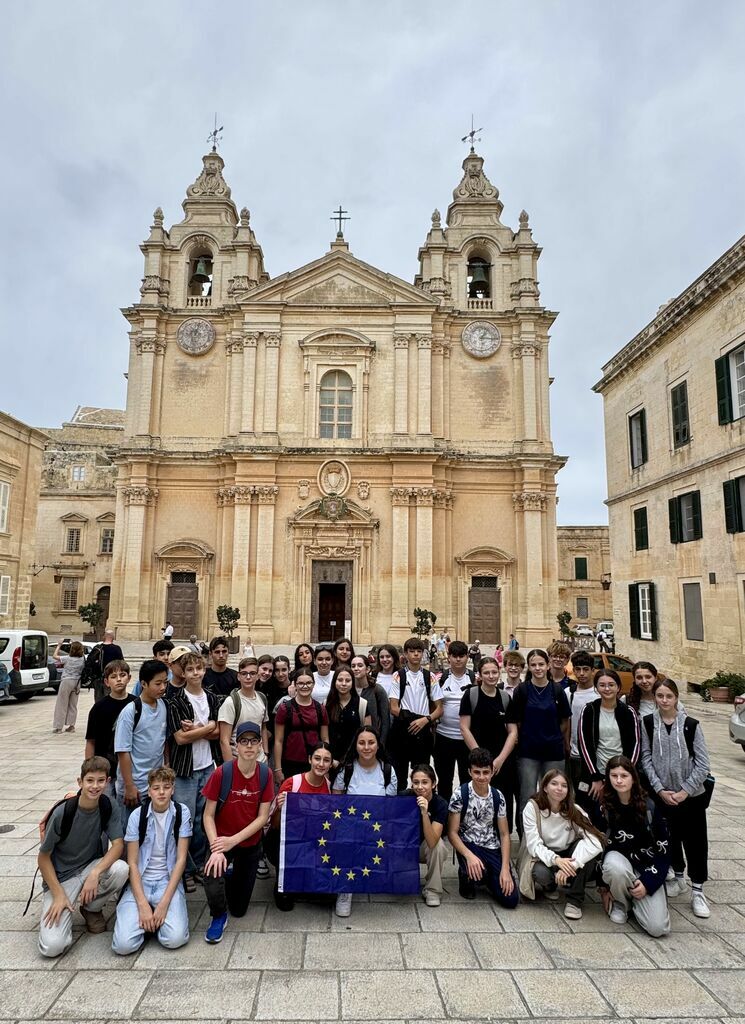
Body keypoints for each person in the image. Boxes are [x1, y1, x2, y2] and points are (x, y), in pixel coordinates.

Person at [37, 756, 129, 957]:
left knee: (121, 869)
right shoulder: (63, 812)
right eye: (90, 780)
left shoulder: (108, 805)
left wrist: (95, 873)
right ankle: (62, 909)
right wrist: (58, 894)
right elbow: (43, 858)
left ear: (108, 781)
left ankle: (91, 908)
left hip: (89, 867)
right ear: (80, 782)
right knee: (52, 947)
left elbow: (118, 845)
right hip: (62, 878)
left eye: (100, 781)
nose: (95, 786)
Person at [640, 678, 712, 918]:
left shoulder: (691, 725)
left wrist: (685, 790)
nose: (664, 700)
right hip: (663, 794)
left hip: (690, 796)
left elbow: (703, 763)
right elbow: (646, 758)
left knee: (695, 841)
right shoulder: (648, 723)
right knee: (669, 837)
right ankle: (678, 876)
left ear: (676, 698)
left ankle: (698, 889)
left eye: (668, 696)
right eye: (660, 696)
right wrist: (659, 789)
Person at [201, 721, 274, 943]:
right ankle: (218, 916)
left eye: (254, 741)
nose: (249, 746)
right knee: (212, 875)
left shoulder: (265, 774)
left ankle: (231, 875)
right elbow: (208, 815)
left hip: (248, 843)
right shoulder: (222, 773)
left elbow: (262, 817)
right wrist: (216, 848)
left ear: (260, 745)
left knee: (239, 909)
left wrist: (233, 841)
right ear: (236, 745)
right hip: (221, 840)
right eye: (244, 741)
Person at [112, 766, 191, 955]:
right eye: (156, 788)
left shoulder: (182, 812)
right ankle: (145, 921)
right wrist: (142, 904)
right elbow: (132, 863)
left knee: (175, 939)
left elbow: (181, 860)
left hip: (167, 881)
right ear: (149, 791)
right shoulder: (137, 816)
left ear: (173, 789)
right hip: (141, 882)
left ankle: (153, 923)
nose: (161, 792)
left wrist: (163, 904)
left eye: (166, 787)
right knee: (123, 946)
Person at [597, 755, 671, 936]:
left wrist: (647, 883)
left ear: (633, 777)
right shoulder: (604, 807)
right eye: (614, 776)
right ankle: (622, 903)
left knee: (657, 928)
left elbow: (664, 851)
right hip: (619, 865)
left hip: (647, 867)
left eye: (624, 775)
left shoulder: (649, 807)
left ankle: (638, 898)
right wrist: (603, 888)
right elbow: (599, 848)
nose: (619, 780)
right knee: (613, 866)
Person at [166, 651, 221, 890]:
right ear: (183, 672)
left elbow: (218, 732)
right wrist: (207, 727)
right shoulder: (175, 701)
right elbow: (180, 739)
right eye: (190, 670)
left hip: (207, 766)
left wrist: (197, 729)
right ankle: (185, 869)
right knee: (183, 820)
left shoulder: (212, 698)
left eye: (198, 669)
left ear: (204, 670)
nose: (195, 673)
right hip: (184, 769)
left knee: (201, 820)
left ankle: (197, 864)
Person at [519, 768, 604, 920]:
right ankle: (550, 886)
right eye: (554, 784)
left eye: (564, 785)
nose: (559, 788)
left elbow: (596, 841)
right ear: (545, 787)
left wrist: (572, 865)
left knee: (587, 853)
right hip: (545, 855)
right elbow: (534, 845)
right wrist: (556, 860)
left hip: (569, 854)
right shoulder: (532, 808)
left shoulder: (574, 810)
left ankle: (574, 901)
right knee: (540, 873)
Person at [331, 725, 398, 917]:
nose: (366, 747)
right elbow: (336, 801)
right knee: (346, 842)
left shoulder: (388, 770)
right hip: (351, 825)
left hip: (377, 826)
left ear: (378, 745)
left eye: (371, 742)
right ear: (356, 745)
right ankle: (345, 891)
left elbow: (390, 807)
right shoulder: (347, 769)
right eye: (362, 743)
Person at [508, 649, 571, 835]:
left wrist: (553, 735)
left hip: (553, 751)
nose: (538, 668)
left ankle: (553, 836)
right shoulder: (522, 690)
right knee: (527, 796)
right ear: (529, 667)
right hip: (528, 751)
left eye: (541, 664)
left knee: (555, 795)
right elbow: (516, 720)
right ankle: (527, 839)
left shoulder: (557, 690)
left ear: (548, 665)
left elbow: (565, 721)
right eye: (533, 665)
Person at [447, 746, 518, 907]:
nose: (481, 777)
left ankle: (488, 876)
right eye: (477, 772)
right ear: (469, 772)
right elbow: (452, 832)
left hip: (491, 846)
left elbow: (504, 834)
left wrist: (505, 869)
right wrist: (469, 856)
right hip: (469, 844)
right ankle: (468, 874)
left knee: (511, 900)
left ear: (492, 772)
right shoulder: (460, 795)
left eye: (486, 772)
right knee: (476, 873)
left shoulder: (498, 796)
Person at [267, 741, 334, 911]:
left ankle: (306, 873)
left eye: (326, 760)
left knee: (328, 897)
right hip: (287, 841)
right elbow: (275, 826)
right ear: (309, 759)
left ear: (330, 764)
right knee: (285, 903)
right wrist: (279, 809)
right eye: (317, 758)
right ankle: (284, 879)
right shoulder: (292, 783)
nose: (321, 764)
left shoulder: (328, 786)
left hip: (312, 841)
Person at [460, 657, 518, 832]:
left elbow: (512, 732)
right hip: (478, 759)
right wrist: (480, 758)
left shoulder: (505, 698)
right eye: (486, 673)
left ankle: (503, 838)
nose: (491, 676)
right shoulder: (471, 695)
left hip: (501, 760)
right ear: (480, 674)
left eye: (494, 672)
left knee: (503, 799)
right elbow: (464, 727)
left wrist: (500, 760)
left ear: (499, 673)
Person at [114, 659, 169, 824]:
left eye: (165, 682)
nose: (163, 687)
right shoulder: (130, 711)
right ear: (143, 684)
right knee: (130, 832)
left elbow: (164, 741)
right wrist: (129, 786)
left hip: (155, 785)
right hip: (135, 788)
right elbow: (123, 751)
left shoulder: (163, 706)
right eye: (158, 683)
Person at [577, 669, 639, 808]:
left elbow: (635, 746)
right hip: (596, 773)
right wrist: (595, 776)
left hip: (621, 775)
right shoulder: (589, 710)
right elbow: (584, 745)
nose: (607, 689)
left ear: (618, 687)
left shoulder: (628, 712)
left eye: (611, 685)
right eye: (602, 685)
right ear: (596, 688)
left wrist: (624, 773)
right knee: (591, 812)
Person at [389, 637, 444, 792]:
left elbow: (440, 709)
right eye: (412, 651)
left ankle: (422, 804)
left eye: (418, 651)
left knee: (421, 774)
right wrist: (412, 718)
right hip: (403, 728)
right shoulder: (398, 676)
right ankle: (400, 804)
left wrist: (425, 720)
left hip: (423, 730)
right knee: (399, 775)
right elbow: (393, 707)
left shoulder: (430, 677)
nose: (415, 654)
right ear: (406, 654)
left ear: (423, 653)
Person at [84, 659, 136, 793]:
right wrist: (88, 769)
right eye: (113, 677)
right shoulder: (98, 708)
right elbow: (91, 741)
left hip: (129, 767)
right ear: (107, 682)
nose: (119, 679)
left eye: (122, 675)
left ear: (129, 678)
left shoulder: (136, 704)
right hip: (104, 768)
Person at [273, 669, 330, 784]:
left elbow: (325, 739)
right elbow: (278, 740)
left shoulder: (320, 709)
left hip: (314, 763)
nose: (305, 686)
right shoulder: (285, 709)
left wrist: (326, 765)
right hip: (290, 763)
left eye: (308, 683)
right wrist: (278, 768)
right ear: (295, 685)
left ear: (313, 684)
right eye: (301, 683)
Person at [434, 640, 473, 801]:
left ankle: (464, 813)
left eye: (461, 656)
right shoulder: (440, 678)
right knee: (444, 780)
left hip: (467, 739)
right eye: (454, 656)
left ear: (467, 657)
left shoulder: (475, 678)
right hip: (443, 737)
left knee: (467, 781)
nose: (458, 659)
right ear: (448, 657)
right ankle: (444, 814)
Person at [409, 764, 449, 908]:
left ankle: (432, 890)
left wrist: (424, 813)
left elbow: (432, 842)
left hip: (423, 848)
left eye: (425, 782)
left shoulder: (440, 804)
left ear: (433, 784)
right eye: (416, 782)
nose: (420, 787)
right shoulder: (404, 797)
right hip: (405, 847)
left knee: (438, 846)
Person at [218, 657, 270, 765]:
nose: (248, 677)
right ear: (238, 676)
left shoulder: (262, 698)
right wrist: (230, 769)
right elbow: (224, 740)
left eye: (252, 673)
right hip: (238, 762)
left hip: (260, 761)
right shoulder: (231, 702)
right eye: (244, 673)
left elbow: (263, 727)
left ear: (258, 676)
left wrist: (266, 753)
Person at [566, 649, 599, 793]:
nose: (581, 673)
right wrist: (567, 745)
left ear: (592, 670)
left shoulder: (599, 693)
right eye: (578, 669)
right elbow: (567, 721)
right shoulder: (569, 693)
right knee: (579, 792)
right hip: (576, 754)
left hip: (597, 753)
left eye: (585, 669)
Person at [326, 666, 370, 766]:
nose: (344, 684)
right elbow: (324, 736)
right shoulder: (327, 704)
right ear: (334, 682)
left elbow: (367, 734)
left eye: (348, 680)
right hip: (331, 761)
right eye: (340, 680)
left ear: (353, 682)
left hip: (355, 760)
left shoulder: (362, 704)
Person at [351, 654, 390, 747]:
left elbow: (385, 720)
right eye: (353, 666)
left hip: (372, 742)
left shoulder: (377, 690)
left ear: (367, 669)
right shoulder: (347, 690)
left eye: (360, 665)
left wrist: (381, 744)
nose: (356, 669)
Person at [51, 640, 85, 734]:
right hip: (77, 682)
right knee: (73, 704)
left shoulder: (67, 658)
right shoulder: (82, 659)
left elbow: (54, 656)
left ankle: (59, 727)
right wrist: (75, 643)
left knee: (61, 704)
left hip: (66, 681)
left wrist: (59, 645)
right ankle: (71, 725)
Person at [85, 629, 124, 704]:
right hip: (111, 679)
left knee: (98, 701)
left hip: (97, 679)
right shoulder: (116, 649)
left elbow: (89, 662)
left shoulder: (97, 648)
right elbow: (122, 665)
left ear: (104, 637)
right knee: (110, 701)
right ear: (113, 637)